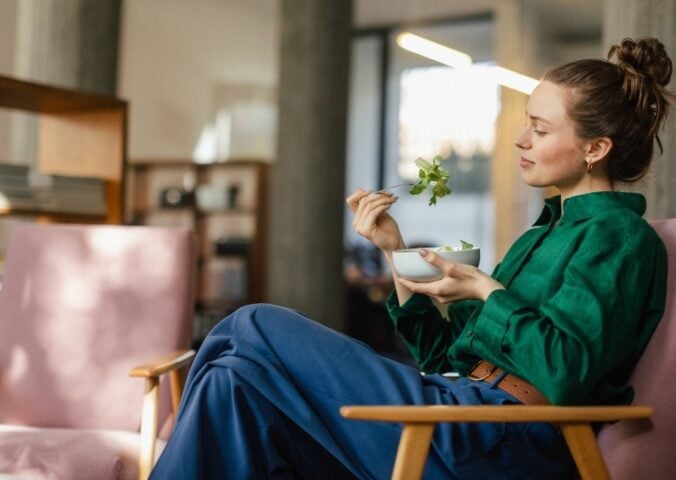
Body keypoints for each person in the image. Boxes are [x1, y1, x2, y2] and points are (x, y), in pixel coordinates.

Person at [150, 37, 672, 479]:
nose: (520, 139)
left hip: (504, 439)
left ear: (594, 148)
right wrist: (393, 251)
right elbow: (443, 360)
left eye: (539, 127)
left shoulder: (621, 237)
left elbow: (566, 372)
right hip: (462, 414)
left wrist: (487, 292)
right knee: (232, 384)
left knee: (252, 323)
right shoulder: (543, 234)